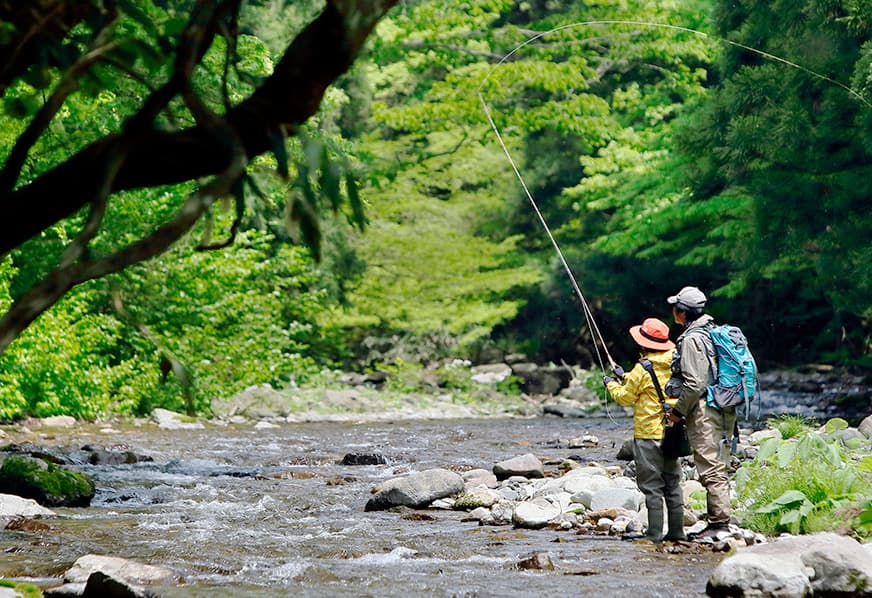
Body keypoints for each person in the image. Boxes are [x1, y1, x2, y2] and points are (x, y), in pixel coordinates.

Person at [603, 317, 686, 542]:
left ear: (643, 344)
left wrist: (611, 383)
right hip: (672, 432)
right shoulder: (675, 360)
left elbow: (625, 397)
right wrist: (624, 376)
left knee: (651, 486)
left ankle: (654, 534)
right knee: (672, 484)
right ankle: (677, 533)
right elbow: (654, 382)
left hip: (648, 435)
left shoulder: (642, 367)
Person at [665, 286, 736, 540]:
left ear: (682, 313)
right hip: (723, 404)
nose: (673, 311)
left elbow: (695, 383)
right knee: (720, 462)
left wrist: (677, 412)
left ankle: (719, 525)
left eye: (676, 308)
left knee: (710, 466)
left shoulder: (693, 338)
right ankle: (719, 520)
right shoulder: (710, 330)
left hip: (706, 409)